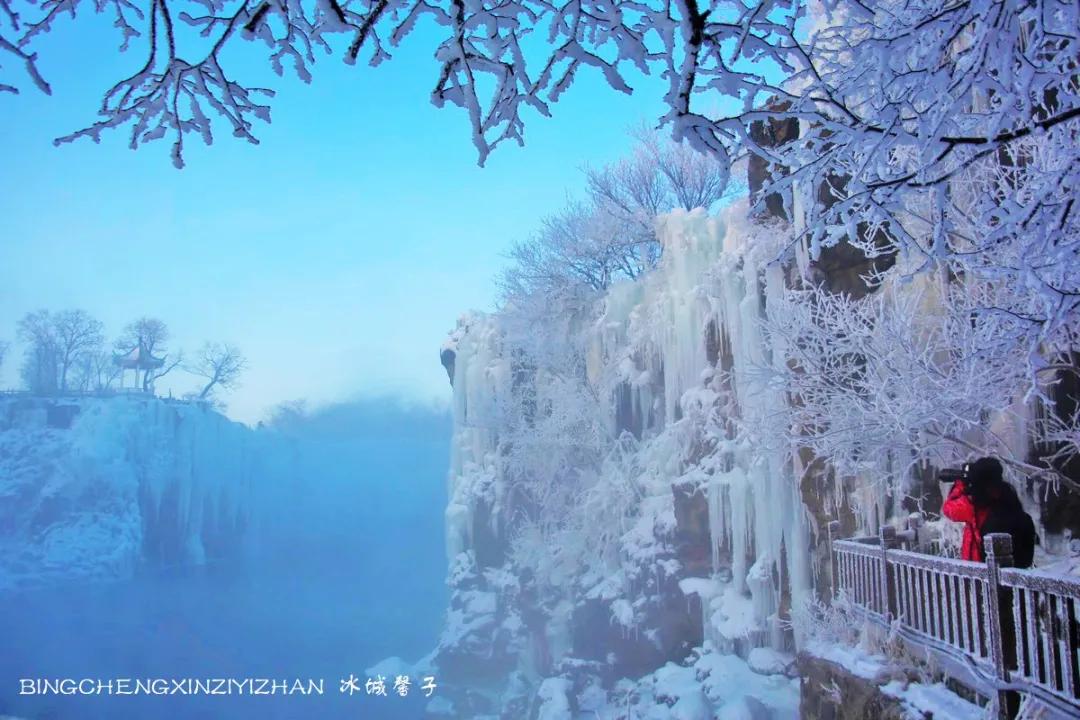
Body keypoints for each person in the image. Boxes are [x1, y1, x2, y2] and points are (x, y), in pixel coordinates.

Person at [941, 456, 1037, 567]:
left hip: (979, 573)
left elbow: (949, 508)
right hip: (1010, 576)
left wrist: (961, 484)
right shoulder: (1009, 500)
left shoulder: (974, 507)